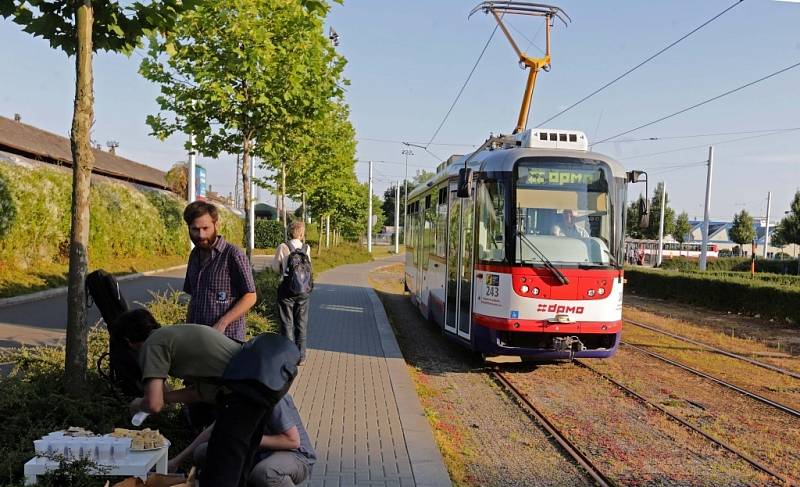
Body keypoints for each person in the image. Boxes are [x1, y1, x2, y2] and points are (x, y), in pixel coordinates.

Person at [113, 308, 299, 487]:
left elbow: (154, 404)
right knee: (237, 468)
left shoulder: (152, 344)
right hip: (257, 389)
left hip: (241, 397)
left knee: (220, 472)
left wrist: (139, 404)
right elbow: (198, 393)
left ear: (128, 341)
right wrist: (165, 397)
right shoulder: (172, 335)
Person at [169, 394, 316, 487]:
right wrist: (177, 461)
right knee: (203, 452)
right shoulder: (235, 394)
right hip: (256, 451)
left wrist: (243, 439)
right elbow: (213, 431)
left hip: (295, 455)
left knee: (265, 473)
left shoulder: (273, 397)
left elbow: (292, 441)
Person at [183, 201, 257, 342]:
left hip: (226, 340)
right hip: (197, 339)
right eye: (195, 229)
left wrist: (222, 323)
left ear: (216, 225)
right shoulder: (194, 255)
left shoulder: (233, 255)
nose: (201, 235)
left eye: (206, 228)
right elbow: (193, 296)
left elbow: (250, 296)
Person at [271, 221, 312, 364]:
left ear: (290, 232)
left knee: (287, 323)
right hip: (303, 291)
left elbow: (276, 268)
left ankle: (288, 356)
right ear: (301, 233)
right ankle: (301, 356)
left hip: (286, 290)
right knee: (301, 323)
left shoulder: (283, 247)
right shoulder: (306, 248)